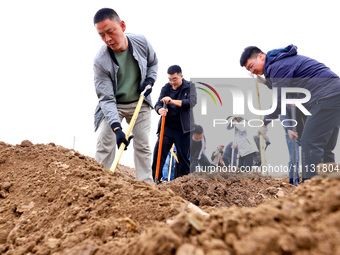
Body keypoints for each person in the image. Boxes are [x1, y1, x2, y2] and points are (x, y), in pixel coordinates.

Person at [240, 44, 340, 181]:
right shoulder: (281, 62)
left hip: (325, 96)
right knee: (325, 148)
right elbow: (285, 84)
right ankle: (332, 188)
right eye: (249, 70)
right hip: (334, 94)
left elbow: (280, 99)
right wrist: (267, 83)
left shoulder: (277, 66)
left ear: (261, 57)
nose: (253, 72)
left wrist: (265, 123)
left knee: (310, 143)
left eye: (251, 66)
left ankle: (310, 191)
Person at [92, 8, 158, 183]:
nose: (107, 39)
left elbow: (153, 63)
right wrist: (117, 129)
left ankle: (146, 186)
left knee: (143, 145)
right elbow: (106, 98)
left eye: (110, 32)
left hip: (140, 102)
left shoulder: (141, 42)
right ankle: (101, 183)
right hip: (114, 105)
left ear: (122, 26)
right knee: (104, 143)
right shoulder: (101, 61)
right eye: (101, 35)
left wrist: (150, 80)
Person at [152, 65, 197, 181]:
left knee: (183, 159)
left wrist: (172, 101)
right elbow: (157, 104)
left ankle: (183, 183)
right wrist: (159, 110)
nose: (172, 82)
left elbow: (191, 102)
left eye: (175, 79)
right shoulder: (166, 88)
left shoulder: (190, 86)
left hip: (184, 130)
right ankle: (156, 180)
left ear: (181, 76)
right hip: (167, 128)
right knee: (158, 155)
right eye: (170, 79)